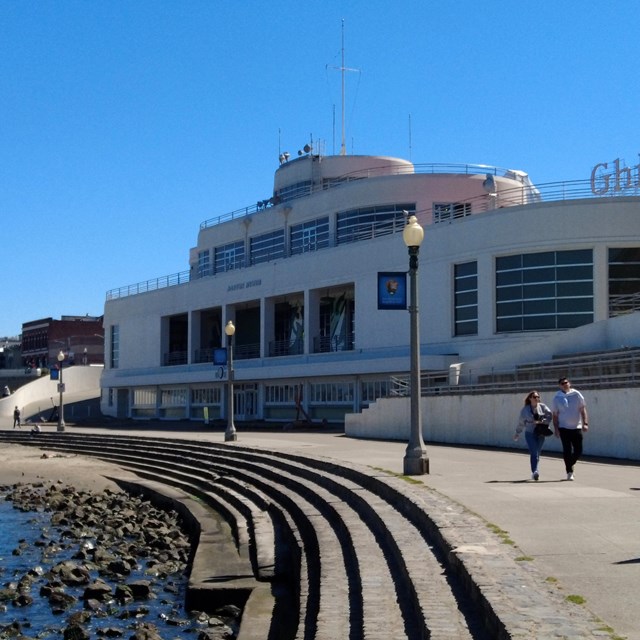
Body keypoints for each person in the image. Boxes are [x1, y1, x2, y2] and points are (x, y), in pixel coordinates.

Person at [552, 377, 589, 481]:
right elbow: (555, 415)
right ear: (559, 385)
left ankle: (570, 463)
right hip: (563, 427)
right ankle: (569, 472)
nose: (565, 384)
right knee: (567, 450)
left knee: (579, 450)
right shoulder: (557, 397)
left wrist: (585, 423)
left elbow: (583, 409)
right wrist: (556, 428)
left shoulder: (576, 394)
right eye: (562, 383)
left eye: (566, 382)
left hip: (576, 427)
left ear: (569, 383)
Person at [514, 390, 552, 481]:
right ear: (530, 398)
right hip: (530, 433)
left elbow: (550, 416)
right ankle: (535, 471)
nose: (536, 398)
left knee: (537, 453)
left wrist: (541, 421)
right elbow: (521, 422)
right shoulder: (525, 409)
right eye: (534, 397)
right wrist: (517, 433)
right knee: (534, 452)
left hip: (540, 432)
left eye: (538, 397)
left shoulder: (543, 407)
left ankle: (534, 469)